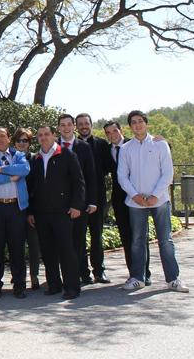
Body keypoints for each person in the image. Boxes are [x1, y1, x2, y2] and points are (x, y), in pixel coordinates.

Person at [118, 110, 188, 293]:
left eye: (140, 121)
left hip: (160, 200)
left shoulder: (160, 145)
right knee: (137, 240)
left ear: (146, 123)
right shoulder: (126, 149)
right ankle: (138, 279)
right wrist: (135, 195)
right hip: (136, 203)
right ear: (130, 126)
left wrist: (156, 195)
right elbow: (122, 176)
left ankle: (173, 279)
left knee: (165, 240)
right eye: (133, 122)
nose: (137, 125)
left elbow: (167, 173)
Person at [26, 125, 85, 300]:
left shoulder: (66, 154)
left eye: (46, 134)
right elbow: (32, 188)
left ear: (53, 135)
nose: (43, 137)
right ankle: (54, 285)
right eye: (40, 135)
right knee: (48, 250)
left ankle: (72, 287)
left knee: (66, 250)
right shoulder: (36, 159)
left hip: (63, 211)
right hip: (42, 213)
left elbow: (79, 182)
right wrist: (30, 211)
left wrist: (76, 205)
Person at [0, 127, 30, 299]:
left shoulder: (19, 156)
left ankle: (19, 285)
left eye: (3, 136)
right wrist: (10, 176)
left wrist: (2, 170)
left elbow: (24, 170)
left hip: (16, 208)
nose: (0, 139)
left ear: (9, 138)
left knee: (17, 247)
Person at [103, 120, 150, 284]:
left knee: (140, 235)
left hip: (137, 195)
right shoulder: (107, 151)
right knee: (126, 236)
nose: (112, 135)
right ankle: (134, 273)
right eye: (108, 133)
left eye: (114, 131)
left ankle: (146, 273)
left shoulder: (134, 144)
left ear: (121, 130)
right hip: (119, 199)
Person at [57, 114, 98, 286]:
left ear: (73, 126)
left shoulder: (84, 147)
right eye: (62, 125)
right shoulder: (53, 146)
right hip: (58, 204)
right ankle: (66, 276)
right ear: (58, 128)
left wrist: (92, 201)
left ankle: (83, 273)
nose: (66, 128)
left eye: (69, 124)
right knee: (63, 241)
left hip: (80, 202)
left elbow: (91, 175)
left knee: (79, 240)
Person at [76, 113, 113, 284]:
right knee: (79, 237)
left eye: (86, 123)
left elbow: (109, 168)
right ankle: (83, 272)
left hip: (97, 198)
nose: (84, 126)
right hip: (78, 199)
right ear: (76, 126)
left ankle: (99, 271)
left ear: (91, 125)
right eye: (80, 124)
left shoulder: (102, 144)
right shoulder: (73, 145)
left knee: (97, 236)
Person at [13, 127, 41, 290]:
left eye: (25, 140)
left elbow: (37, 187)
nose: (22, 143)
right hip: (13, 207)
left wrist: (32, 211)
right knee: (16, 244)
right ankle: (19, 276)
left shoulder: (35, 159)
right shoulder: (10, 159)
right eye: (19, 140)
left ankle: (34, 276)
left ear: (30, 143)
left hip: (31, 208)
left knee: (33, 244)